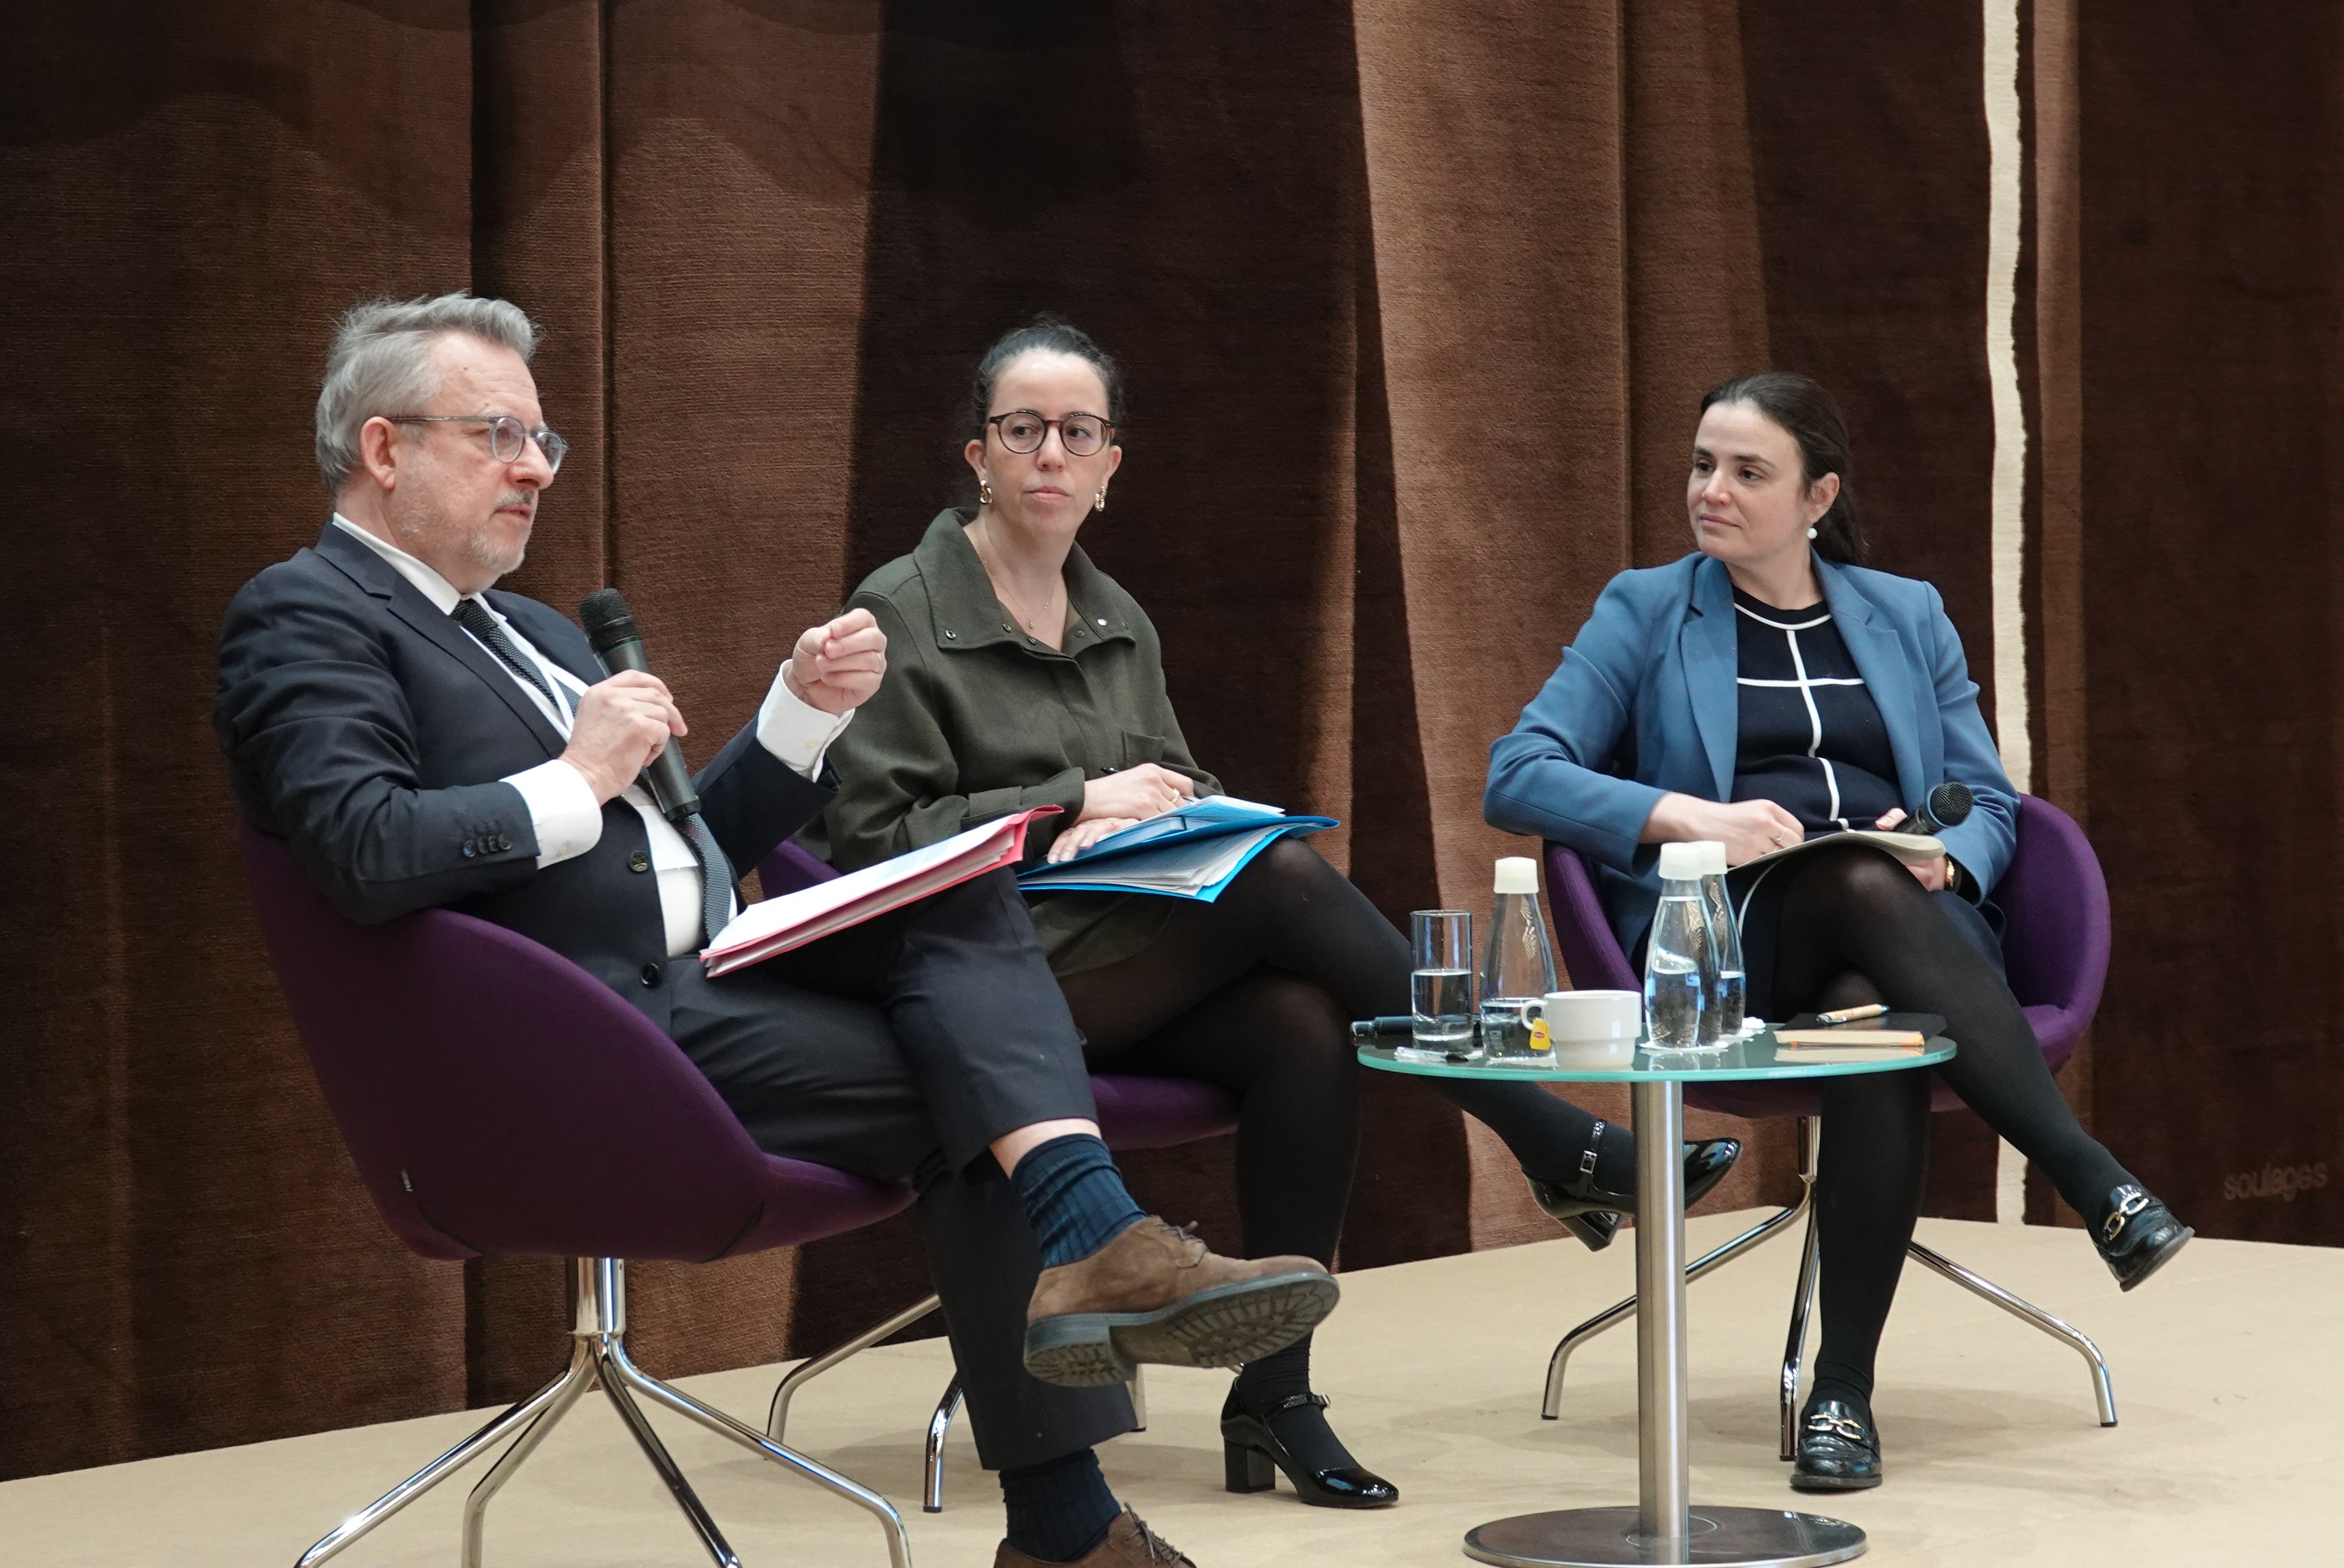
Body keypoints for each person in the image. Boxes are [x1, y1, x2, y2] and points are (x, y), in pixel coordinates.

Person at [215, 293, 1343, 1568]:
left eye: (544, 441)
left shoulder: (529, 631)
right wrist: (572, 779)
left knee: (952, 892)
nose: (535, 467)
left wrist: (798, 715)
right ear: (384, 450)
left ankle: (1088, 1317)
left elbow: (696, 844)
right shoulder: (305, 616)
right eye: (498, 435)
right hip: (574, 1040)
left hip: (700, 984)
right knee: (979, 1086)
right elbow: (360, 854)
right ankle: (1075, 1473)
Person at [806, 317, 1742, 1512]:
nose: (1050, 452)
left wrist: (1174, 814)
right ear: (976, 455)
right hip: (986, 986)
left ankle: (1276, 1399)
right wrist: (1065, 805)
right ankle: (1550, 1138)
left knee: (1304, 1021)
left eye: (1077, 432)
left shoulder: (1117, 619)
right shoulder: (899, 607)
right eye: (1021, 429)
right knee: (1289, 879)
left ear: (1108, 468)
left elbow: (1169, 795)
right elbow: (868, 851)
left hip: (1116, 955)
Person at [1484, 369, 2192, 1493]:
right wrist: (1691, 818)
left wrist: (1945, 857)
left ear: (1818, 496)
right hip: (1729, 940)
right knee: (1861, 899)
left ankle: (1840, 1399)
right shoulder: (1647, 608)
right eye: (1702, 464)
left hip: (1907, 930)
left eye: (1746, 471)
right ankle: (2088, 1174)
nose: (1710, 490)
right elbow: (1516, 774)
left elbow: (1988, 799)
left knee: (1877, 1008)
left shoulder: (1903, 612)